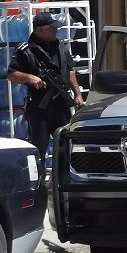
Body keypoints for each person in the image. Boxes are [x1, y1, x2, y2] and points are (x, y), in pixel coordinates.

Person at [8, 12, 84, 158]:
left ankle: (63, 177)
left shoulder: (60, 47)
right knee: (39, 147)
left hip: (60, 104)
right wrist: (30, 78)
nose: (56, 31)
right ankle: (40, 179)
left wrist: (78, 94)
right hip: (39, 107)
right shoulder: (26, 50)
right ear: (39, 30)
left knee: (65, 145)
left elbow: (69, 70)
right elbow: (11, 74)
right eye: (52, 28)